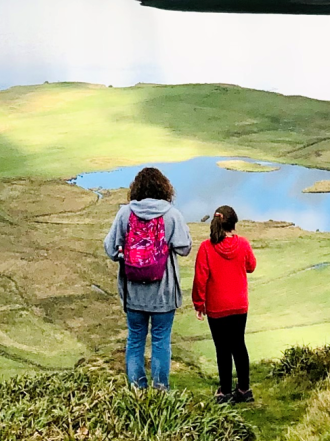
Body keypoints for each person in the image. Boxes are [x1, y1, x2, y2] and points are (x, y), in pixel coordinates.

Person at [104, 166, 191, 390]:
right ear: (164, 188)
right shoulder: (171, 214)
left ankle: (137, 391)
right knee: (161, 341)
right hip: (163, 293)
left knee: (135, 341)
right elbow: (184, 248)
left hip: (133, 293)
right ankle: (161, 391)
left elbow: (110, 249)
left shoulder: (125, 213)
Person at [192, 205, 256, 403]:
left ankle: (225, 391)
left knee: (222, 348)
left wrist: (198, 303)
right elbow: (251, 266)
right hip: (239, 304)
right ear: (233, 224)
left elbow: (200, 279)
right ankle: (244, 389)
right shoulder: (243, 244)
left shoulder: (206, 247)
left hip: (217, 307)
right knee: (239, 345)